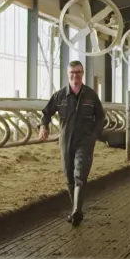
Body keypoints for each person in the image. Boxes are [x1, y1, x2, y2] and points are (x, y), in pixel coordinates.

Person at [38, 60, 105, 227]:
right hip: (66, 140)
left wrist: (94, 135)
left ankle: (76, 211)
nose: (75, 75)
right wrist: (43, 126)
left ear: (83, 74)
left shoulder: (90, 95)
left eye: (78, 72)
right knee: (69, 174)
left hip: (85, 139)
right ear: (68, 75)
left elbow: (101, 117)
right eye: (72, 73)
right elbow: (46, 112)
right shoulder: (60, 95)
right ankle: (75, 208)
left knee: (80, 174)